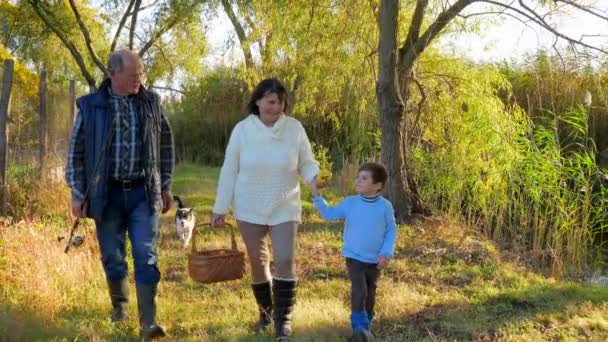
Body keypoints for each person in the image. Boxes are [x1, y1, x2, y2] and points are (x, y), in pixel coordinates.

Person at [65, 49, 174, 340]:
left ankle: (148, 322)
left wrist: (165, 185)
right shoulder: (90, 107)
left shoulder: (151, 102)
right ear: (113, 74)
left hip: (143, 192)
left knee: (145, 254)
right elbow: (75, 153)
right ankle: (121, 309)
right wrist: (77, 192)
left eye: (141, 74)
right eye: (133, 74)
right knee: (113, 257)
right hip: (106, 195)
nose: (140, 79)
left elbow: (165, 144)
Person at [211, 78, 323, 340]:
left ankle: (283, 322)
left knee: (284, 258)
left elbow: (306, 163)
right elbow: (230, 170)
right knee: (258, 261)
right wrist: (220, 207)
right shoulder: (242, 130)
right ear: (258, 101)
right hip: (249, 205)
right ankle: (266, 313)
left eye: (281, 102)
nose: (276, 107)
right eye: (271, 101)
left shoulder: (294, 129)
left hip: (284, 203)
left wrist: (315, 179)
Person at [311, 162, 397, 341]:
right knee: (360, 291)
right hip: (354, 258)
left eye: (364, 178)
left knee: (371, 291)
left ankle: (366, 326)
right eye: (358, 177)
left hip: (375, 259)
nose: (358, 180)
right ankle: (359, 328)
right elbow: (329, 214)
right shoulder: (350, 203)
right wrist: (316, 195)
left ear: (377, 186)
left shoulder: (385, 207)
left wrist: (386, 252)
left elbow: (391, 231)